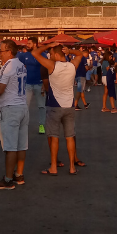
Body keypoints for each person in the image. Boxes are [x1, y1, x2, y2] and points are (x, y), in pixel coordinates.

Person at [31, 42, 84, 176]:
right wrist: (70, 51)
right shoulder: (72, 65)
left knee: (54, 137)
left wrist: (48, 46)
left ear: (55, 54)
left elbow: (34, 53)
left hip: (54, 105)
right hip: (69, 106)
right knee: (70, 137)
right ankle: (72, 167)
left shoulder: (52, 65)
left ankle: (53, 167)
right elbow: (80, 54)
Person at [0, 40, 28, 190]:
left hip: (10, 108)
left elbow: (0, 90)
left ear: (9, 52)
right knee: (21, 145)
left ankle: (8, 179)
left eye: (2, 51)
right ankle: (19, 174)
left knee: (10, 146)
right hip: (22, 106)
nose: (0, 53)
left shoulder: (8, 66)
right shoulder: (21, 65)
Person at [18, 37, 46, 134]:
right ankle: (24, 125)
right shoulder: (24, 55)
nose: (27, 45)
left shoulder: (43, 55)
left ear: (35, 44)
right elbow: (19, 67)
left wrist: (45, 83)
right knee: (25, 106)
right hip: (27, 84)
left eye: (29, 43)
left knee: (41, 106)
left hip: (40, 83)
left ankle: (42, 125)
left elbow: (46, 68)